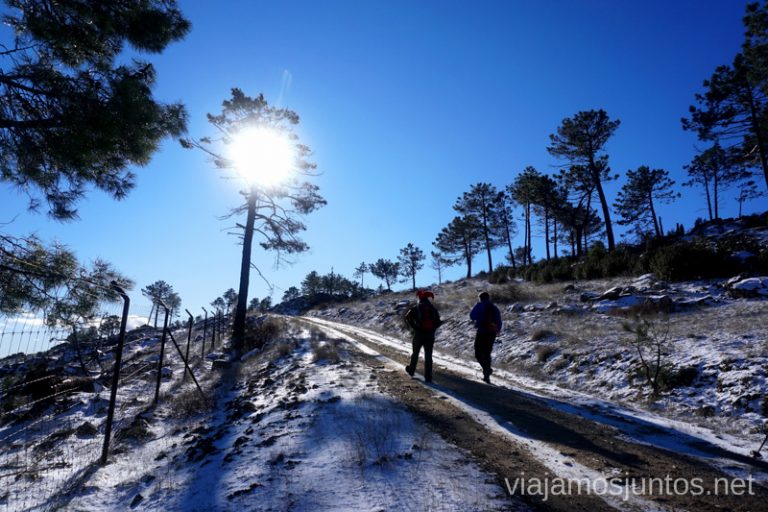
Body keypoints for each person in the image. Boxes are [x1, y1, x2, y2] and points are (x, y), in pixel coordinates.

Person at [404, 290, 442, 383]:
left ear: (420, 298)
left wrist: (415, 328)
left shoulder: (416, 307)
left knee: (415, 353)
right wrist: (433, 329)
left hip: (419, 334)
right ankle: (428, 377)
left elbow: (407, 317)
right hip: (430, 335)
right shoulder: (433, 308)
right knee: (428, 356)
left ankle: (412, 370)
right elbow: (438, 322)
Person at [470, 291, 502, 383]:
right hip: (492, 333)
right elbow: (499, 321)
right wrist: (497, 331)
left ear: (480, 298)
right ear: (489, 298)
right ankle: (486, 375)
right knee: (487, 353)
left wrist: (477, 306)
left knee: (478, 353)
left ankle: (487, 369)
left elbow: (472, 316)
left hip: (482, 332)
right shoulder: (494, 307)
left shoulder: (480, 305)